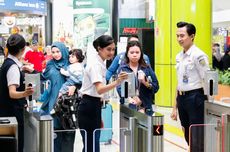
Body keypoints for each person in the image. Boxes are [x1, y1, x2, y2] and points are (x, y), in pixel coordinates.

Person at [78, 35, 128, 152]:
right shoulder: (95, 65)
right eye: (108, 49)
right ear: (100, 49)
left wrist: (99, 116)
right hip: (89, 105)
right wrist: (118, 82)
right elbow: (100, 89)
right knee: (91, 145)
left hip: (94, 105)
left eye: (113, 49)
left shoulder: (100, 63)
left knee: (93, 144)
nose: (111, 52)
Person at [170, 22, 209, 152]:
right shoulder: (179, 56)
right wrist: (174, 106)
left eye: (182, 35)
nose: (179, 39)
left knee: (196, 132)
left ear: (192, 36)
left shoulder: (199, 55)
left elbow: (207, 79)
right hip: (182, 98)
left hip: (195, 97)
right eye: (177, 36)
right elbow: (179, 81)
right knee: (186, 130)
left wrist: (208, 102)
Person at [0, 34, 34, 152]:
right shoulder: (13, 67)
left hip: (6, 112)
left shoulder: (8, 63)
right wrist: (25, 93)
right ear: (23, 49)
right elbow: (12, 93)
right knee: (16, 145)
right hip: (12, 113)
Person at [40, 42, 75, 152]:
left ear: (63, 51)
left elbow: (80, 79)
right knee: (55, 134)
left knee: (68, 133)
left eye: (58, 51)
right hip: (53, 103)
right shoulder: (50, 64)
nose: (55, 54)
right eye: (53, 52)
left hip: (68, 104)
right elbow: (43, 77)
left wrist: (74, 85)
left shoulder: (71, 65)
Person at [116, 41, 159, 113]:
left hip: (145, 107)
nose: (134, 55)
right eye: (132, 52)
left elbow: (156, 87)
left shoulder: (147, 68)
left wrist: (146, 83)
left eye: (137, 52)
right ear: (127, 54)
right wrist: (129, 98)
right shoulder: (123, 69)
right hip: (128, 106)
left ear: (141, 54)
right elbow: (119, 87)